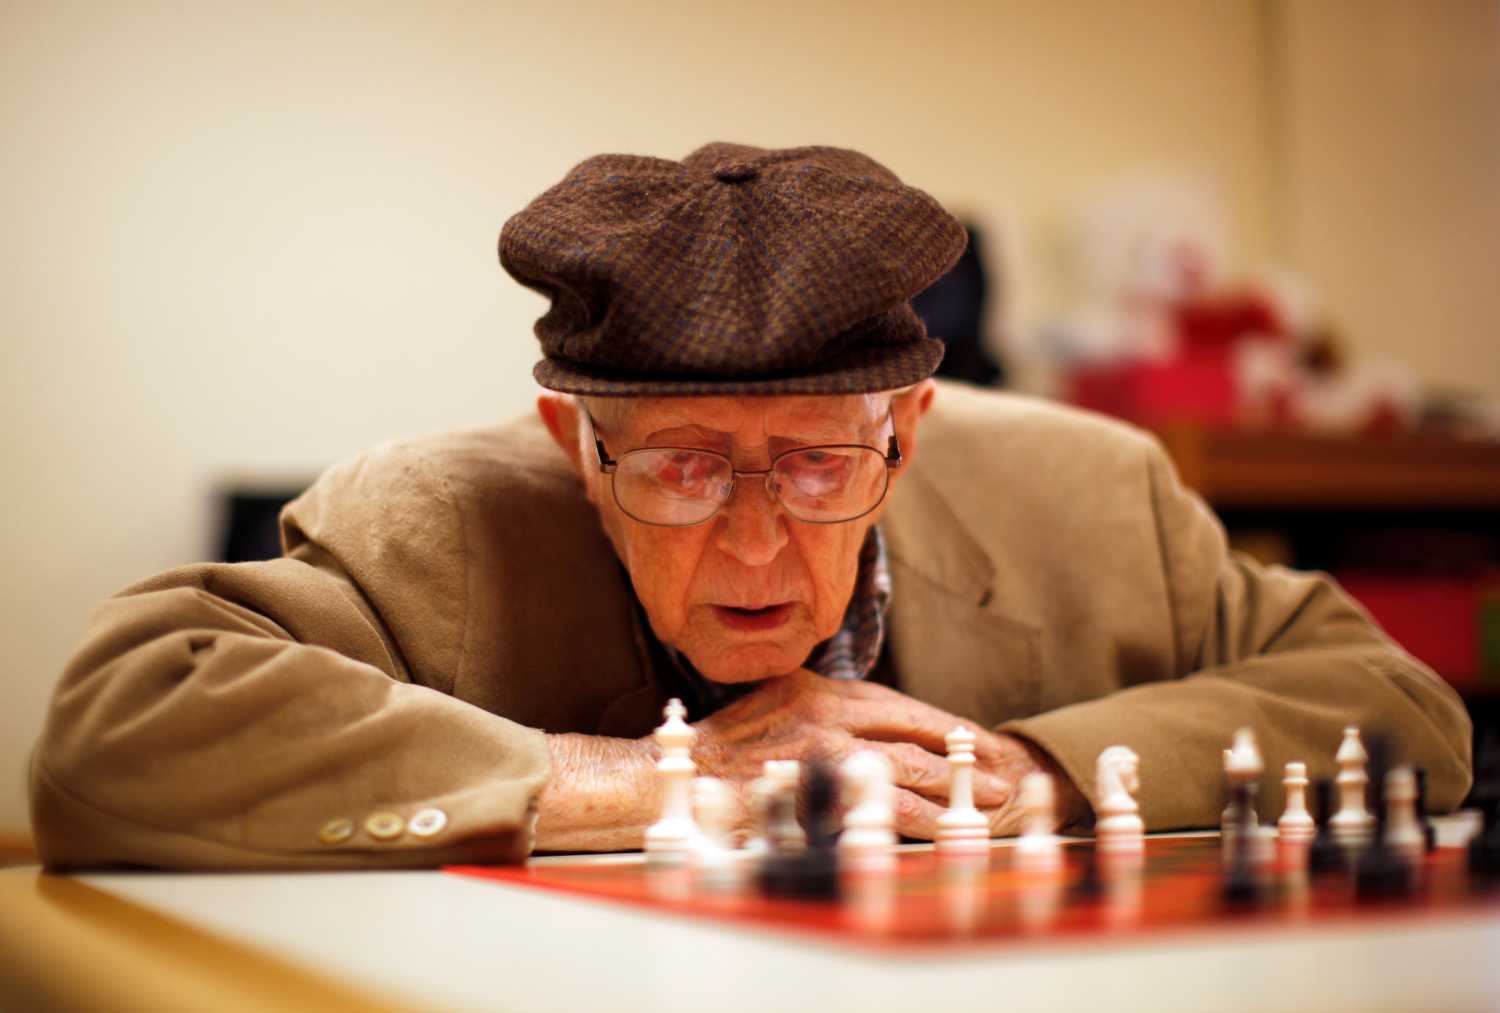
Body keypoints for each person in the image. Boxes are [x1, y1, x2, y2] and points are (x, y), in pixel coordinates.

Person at [29, 143, 1471, 870]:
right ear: (574, 442)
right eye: (682, 464)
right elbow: (117, 726)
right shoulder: (436, 518)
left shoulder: (1096, 492)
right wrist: (652, 779)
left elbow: (1403, 702)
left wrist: (1033, 769)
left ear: (910, 430)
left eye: (821, 461)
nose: (757, 541)